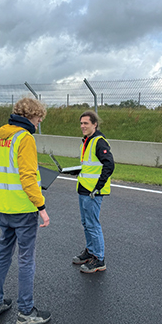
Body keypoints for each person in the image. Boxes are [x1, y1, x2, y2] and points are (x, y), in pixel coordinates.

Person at [0, 97, 51, 324]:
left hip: (5, 207)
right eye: (38, 118)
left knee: (3, 254)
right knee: (26, 259)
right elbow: (26, 176)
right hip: (24, 209)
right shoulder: (25, 139)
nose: (38, 123)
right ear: (30, 116)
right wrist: (41, 207)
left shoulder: (2, 138)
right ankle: (26, 312)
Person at [72, 111, 115, 273]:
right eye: (81, 123)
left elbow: (109, 165)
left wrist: (98, 187)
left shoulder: (99, 142)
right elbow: (90, 166)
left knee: (92, 224)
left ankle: (99, 258)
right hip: (83, 188)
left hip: (93, 191)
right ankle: (90, 251)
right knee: (86, 223)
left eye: (86, 123)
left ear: (94, 124)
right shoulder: (87, 141)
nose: (82, 126)